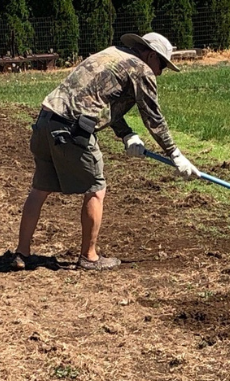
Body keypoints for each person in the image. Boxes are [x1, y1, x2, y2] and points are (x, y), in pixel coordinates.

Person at [10, 32, 199, 271]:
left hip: (46, 120)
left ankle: (22, 254)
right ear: (150, 55)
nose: (160, 72)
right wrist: (175, 154)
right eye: (161, 64)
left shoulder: (111, 54)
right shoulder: (142, 69)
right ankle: (89, 257)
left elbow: (101, 101)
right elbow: (153, 117)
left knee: (40, 189)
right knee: (96, 188)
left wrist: (126, 134)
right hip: (71, 129)